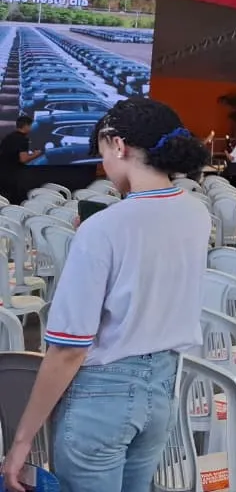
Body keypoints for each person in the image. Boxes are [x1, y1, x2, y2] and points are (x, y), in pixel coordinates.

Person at [1, 97, 211, 492]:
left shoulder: (103, 229)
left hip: (101, 397)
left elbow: (68, 349)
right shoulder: (197, 213)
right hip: (163, 389)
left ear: (118, 144)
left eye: (102, 152)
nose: (104, 166)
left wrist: (21, 441)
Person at [0, 115, 42, 205]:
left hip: (3, 174)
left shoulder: (8, 137)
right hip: (14, 176)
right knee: (16, 201)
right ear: (26, 126)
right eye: (31, 125)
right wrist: (35, 155)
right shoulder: (23, 140)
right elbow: (23, 159)